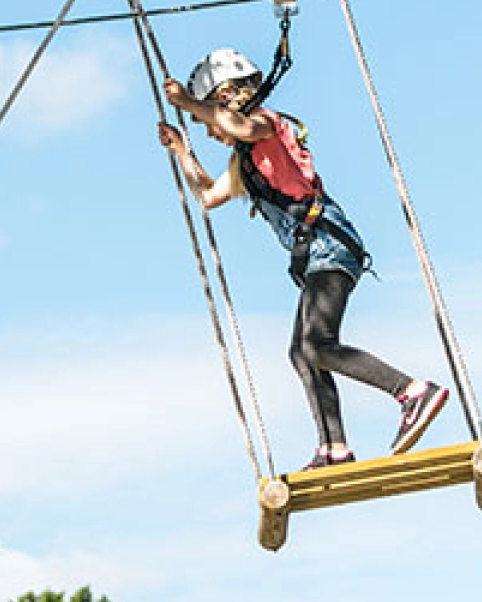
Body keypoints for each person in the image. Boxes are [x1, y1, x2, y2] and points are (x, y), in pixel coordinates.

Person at [157, 47, 450, 470]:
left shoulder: (266, 125)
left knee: (316, 344)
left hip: (330, 246)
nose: (209, 131)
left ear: (224, 99)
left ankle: (411, 391)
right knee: (301, 352)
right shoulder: (245, 160)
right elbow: (207, 196)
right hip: (317, 256)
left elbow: (237, 125)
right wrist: (182, 151)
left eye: (207, 120)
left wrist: (187, 103)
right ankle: (333, 448)